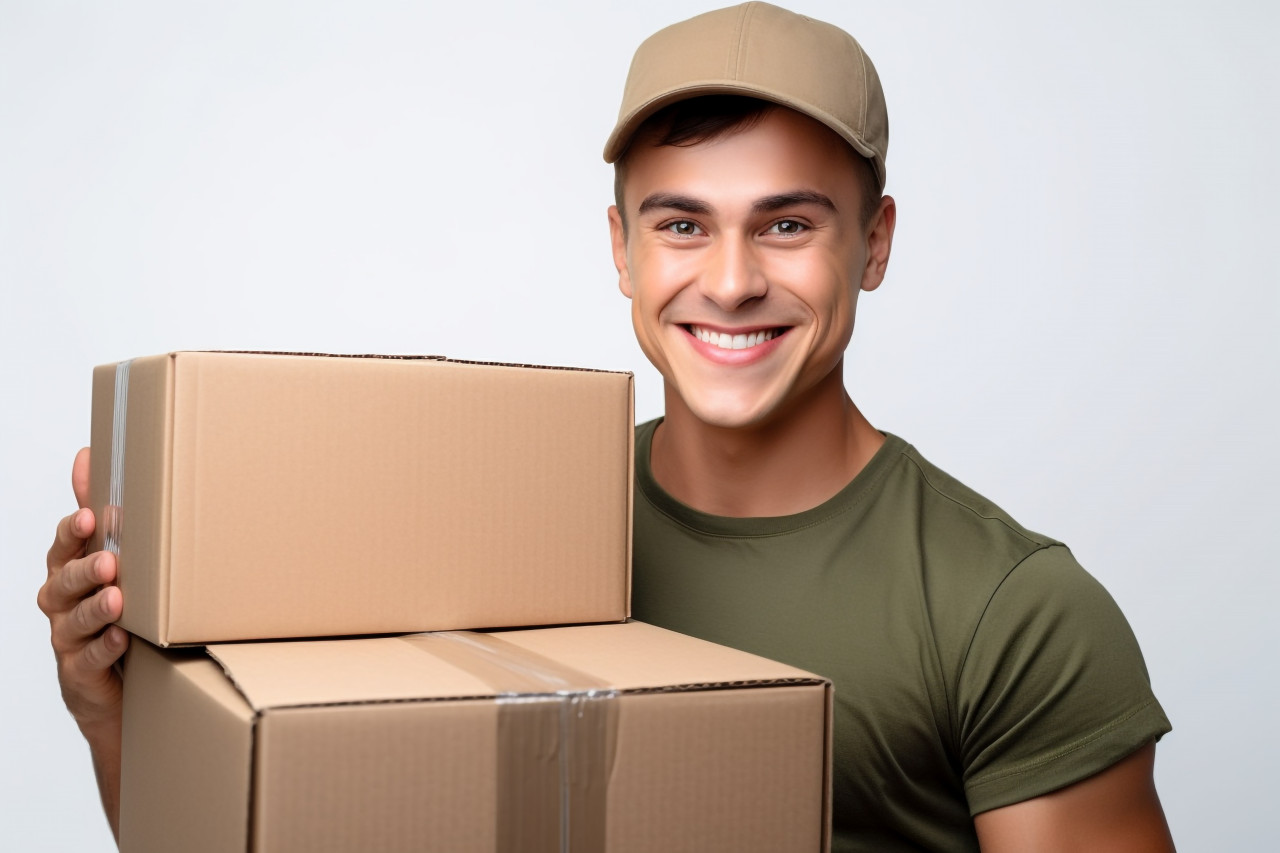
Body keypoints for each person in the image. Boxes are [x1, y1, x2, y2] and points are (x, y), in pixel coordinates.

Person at [40, 3, 1173, 850]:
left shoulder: (1008, 611)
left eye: (785, 223)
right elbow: (278, 818)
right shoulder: (496, 532)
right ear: (620, 250)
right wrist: (112, 709)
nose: (729, 282)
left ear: (872, 244)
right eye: (682, 224)